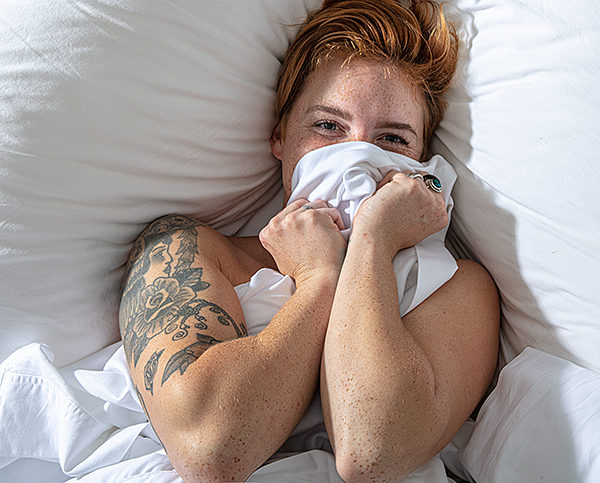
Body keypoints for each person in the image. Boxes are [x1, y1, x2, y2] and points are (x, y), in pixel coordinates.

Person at [118, 1, 500, 482]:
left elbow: (371, 453)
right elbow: (212, 449)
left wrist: (373, 243)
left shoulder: (459, 288)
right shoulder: (185, 248)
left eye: (393, 140)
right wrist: (318, 278)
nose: (356, 156)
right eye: (327, 127)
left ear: (421, 162)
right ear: (280, 137)